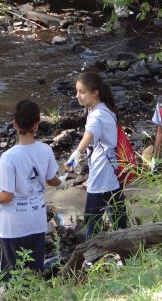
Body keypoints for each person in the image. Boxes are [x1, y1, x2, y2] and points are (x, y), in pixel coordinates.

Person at [0, 100, 65, 275]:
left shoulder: (9, 157)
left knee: (14, 275)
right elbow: (51, 179)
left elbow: (6, 196)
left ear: (15, 124)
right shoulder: (45, 150)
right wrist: (62, 182)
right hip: (37, 222)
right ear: (37, 125)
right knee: (35, 271)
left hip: (14, 226)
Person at [64, 71, 128, 240]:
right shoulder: (104, 109)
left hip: (102, 173)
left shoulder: (97, 115)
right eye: (77, 91)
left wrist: (76, 154)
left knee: (92, 218)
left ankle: (91, 257)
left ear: (95, 92)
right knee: (119, 217)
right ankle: (128, 255)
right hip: (113, 170)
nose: (77, 96)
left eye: (82, 92)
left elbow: (89, 134)